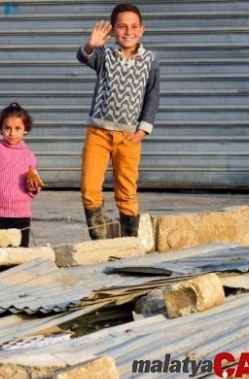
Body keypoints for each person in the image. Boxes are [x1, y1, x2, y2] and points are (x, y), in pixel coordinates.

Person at [76, 3, 160, 239]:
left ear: (142, 30)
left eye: (134, 27)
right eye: (122, 26)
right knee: (90, 187)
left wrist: (143, 130)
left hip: (129, 137)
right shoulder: (104, 55)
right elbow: (84, 57)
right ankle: (100, 242)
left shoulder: (150, 60)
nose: (128, 31)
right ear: (113, 30)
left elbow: (153, 96)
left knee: (126, 191)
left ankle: (129, 242)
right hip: (98, 133)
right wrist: (91, 45)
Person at [0, 103, 42, 247]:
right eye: (7, 128)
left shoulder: (29, 156)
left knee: (21, 253)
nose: (12, 133)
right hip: (0, 213)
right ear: (0, 129)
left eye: (17, 129)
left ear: (26, 130)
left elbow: (35, 182)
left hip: (22, 213)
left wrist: (34, 188)